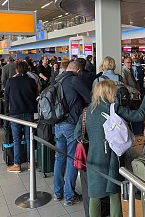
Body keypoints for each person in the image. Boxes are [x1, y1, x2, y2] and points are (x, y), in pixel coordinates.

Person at [75, 80, 145, 217]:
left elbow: (77, 135)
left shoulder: (87, 112)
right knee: (114, 194)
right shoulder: (114, 108)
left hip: (93, 158)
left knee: (94, 196)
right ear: (109, 92)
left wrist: (94, 141)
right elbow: (139, 115)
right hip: (112, 157)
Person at [53, 61, 91, 206]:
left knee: (59, 158)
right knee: (71, 159)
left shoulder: (57, 79)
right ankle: (69, 196)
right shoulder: (75, 80)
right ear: (78, 70)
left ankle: (58, 193)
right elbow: (89, 97)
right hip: (71, 125)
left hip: (57, 124)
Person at [5, 62, 38, 172]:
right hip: (29, 113)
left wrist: (6, 114)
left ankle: (17, 164)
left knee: (17, 139)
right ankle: (30, 164)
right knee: (29, 139)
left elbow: (7, 98)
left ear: (16, 70)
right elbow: (35, 95)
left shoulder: (10, 81)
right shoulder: (32, 81)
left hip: (15, 114)